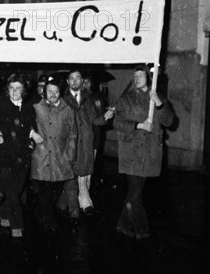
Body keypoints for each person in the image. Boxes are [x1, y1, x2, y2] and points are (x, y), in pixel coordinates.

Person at [114, 66, 174, 239]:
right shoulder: (127, 98)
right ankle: (142, 229)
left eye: (141, 75)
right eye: (135, 75)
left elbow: (169, 121)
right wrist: (138, 125)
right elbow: (117, 123)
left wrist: (158, 103)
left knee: (135, 191)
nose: (137, 78)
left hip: (149, 152)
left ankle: (123, 225)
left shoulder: (157, 97)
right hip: (131, 151)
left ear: (148, 77)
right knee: (135, 191)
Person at [59, 69, 114, 218]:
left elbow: (94, 120)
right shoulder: (62, 101)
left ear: (82, 81)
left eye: (78, 78)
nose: (75, 81)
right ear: (68, 82)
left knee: (82, 175)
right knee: (72, 177)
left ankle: (66, 204)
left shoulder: (88, 99)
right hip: (71, 144)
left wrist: (105, 117)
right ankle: (79, 207)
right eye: (72, 78)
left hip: (86, 144)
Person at [0, 75, 36, 238]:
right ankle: (17, 225)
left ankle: (3, 213)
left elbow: (32, 129)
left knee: (17, 188)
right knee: (11, 190)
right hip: (6, 155)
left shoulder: (29, 108)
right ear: (7, 91)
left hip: (23, 155)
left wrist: (32, 143)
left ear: (23, 90)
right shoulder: (1, 108)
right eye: (12, 88)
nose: (15, 91)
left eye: (18, 88)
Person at [30, 79, 77, 232]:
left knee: (56, 189)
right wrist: (32, 135)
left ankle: (41, 214)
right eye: (50, 91)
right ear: (45, 92)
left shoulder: (68, 110)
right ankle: (49, 224)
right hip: (41, 156)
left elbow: (72, 134)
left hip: (60, 157)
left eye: (56, 91)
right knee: (44, 191)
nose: (53, 94)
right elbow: (27, 125)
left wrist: (70, 155)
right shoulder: (36, 108)